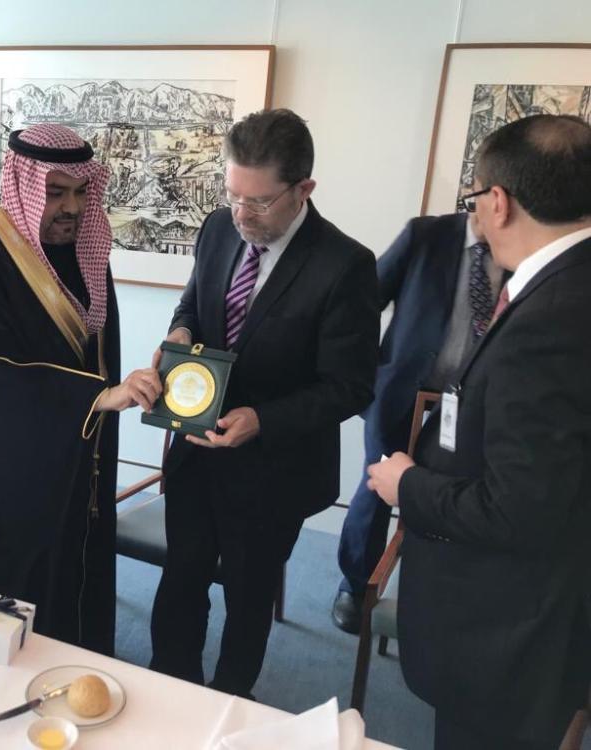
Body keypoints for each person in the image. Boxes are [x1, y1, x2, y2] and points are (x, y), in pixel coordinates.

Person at [368, 114, 591, 749]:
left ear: (498, 201)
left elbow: (519, 508)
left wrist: (408, 484)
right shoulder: (568, 282)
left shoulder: (551, 317)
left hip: (509, 624)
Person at [149, 109, 379, 697]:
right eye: (232, 196)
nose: (242, 215)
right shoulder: (217, 228)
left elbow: (350, 386)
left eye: (259, 202)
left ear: (304, 189)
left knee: (247, 599)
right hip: (197, 450)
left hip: (274, 470)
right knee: (181, 582)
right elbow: (193, 305)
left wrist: (263, 420)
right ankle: (170, 691)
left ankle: (230, 703)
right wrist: (180, 333)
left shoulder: (345, 266)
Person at [0, 124, 161, 654]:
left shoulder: (84, 252)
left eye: (80, 192)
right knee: (9, 602)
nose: (71, 208)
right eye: (55, 192)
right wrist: (94, 397)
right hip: (0, 468)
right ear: (23, 185)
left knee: (74, 573)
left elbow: (97, 348)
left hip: (77, 451)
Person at [331, 210, 506, 633]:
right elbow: (361, 300)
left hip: (470, 400)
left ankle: (430, 590)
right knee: (377, 485)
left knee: (444, 494)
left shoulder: (519, 246)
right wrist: (366, 371)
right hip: (402, 388)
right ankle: (357, 585)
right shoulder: (426, 235)